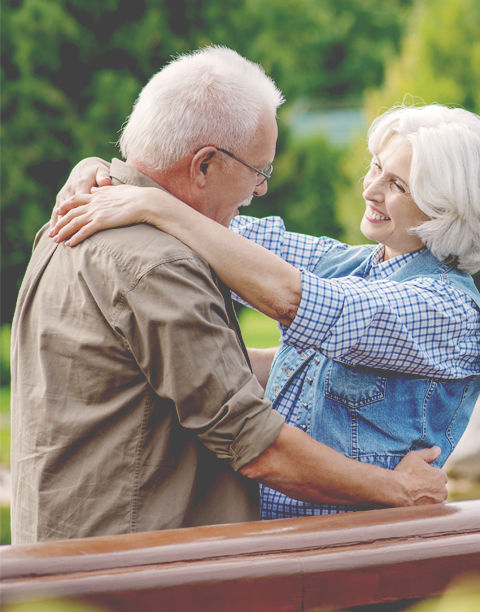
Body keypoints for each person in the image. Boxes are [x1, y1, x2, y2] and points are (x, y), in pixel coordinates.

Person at [11, 46, 448, 543]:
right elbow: (258, 445)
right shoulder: (160, 264)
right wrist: (397, 489)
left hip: (65, 558)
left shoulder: (73, 217)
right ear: (204, 166)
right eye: (260, 170)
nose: (261, 189)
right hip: (141, 577)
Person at [47, 104, 480, 520]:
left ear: (448, 209)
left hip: (357, 553)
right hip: (284, 544)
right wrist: (106, 173)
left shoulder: (446, 310)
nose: (371, 189)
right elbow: (221, 225)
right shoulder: (353, 263)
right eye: (375, 168)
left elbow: (294, 299)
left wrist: (153, 205)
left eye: (397, 183)